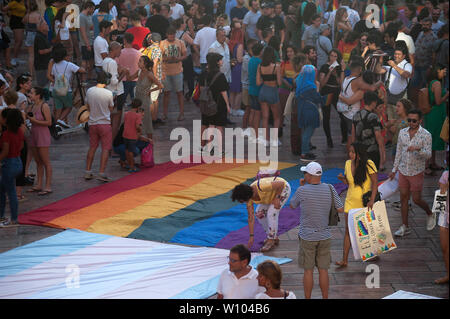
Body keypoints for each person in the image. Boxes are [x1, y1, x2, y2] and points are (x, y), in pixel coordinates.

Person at [290, 161, 344, 299]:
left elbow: (292, 205)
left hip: (307, 236)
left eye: (305, 173)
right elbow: (340, 208)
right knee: (323, 270)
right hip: (324, 235)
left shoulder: (302, 190)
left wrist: (302, 187)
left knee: (308, 271)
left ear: (309, 175)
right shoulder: (330, 188)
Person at [390, 109, 435, 237]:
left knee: (416, 199)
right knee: (403, 198)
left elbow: (428, 155)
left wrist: (418, 149)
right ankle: (405, 226)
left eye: (414, 121)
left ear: (420, 121)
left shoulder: (426, 135)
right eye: (409, 120)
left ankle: (430, 213)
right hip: (403, 170)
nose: (411, 123)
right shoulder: (402, 132)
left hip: (416, 171)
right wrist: (394, 170)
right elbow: (398, 151)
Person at [335, 142, 378, 267]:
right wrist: (343, 180)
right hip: (350, 200)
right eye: (349, 152)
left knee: (365, 229)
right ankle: (344, 260)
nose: (350, 154)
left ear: (359, 153)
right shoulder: (348, 164)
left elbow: (375, 183)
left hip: (364, 201)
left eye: (353, 152)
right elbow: (350, 184)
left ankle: (372, 252)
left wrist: (372, 199)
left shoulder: (369, 164)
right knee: (348, 230)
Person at [231, 173, 291, 252]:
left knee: (271, 213)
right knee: (259, 214)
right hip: (271, 195)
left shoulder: (261, 187)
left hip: (282, 189)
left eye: (242, 201)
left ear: (246, 197)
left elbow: (281, 184)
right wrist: (251, 237)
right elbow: (251, 218)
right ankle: (273, 236)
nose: (243, 202)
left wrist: (277, 198)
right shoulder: (249, 198)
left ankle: (271, 239)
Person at [198, 52, 231, 155]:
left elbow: (201, 88)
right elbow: (224, 92)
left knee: (209, 125)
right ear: (217, 62)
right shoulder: (220, 75)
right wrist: (227, 104)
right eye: (220, 60)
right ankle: (219, 149)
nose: (222, 62)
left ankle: (207, 147)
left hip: (206, 102)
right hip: (218, 103)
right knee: (219, 126)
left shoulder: (204, 73)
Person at [84, 70, 114, 183]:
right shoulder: (108, 93)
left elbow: (87, 106)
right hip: (105, 123)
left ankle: (87, 171)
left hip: (92, 123)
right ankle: (101, 172)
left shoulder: (90, 91)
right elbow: (111, 108)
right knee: (105, 148)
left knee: (92, 147)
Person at [48, 46, 85, 125]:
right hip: (66, 91)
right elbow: (81, 70)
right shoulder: (69, 64)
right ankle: (60, 120)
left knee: (59, 108)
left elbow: (52, 75)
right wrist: (83, 66)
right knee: (69, 107)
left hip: (56, 89)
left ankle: (57, 126)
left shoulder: (54, 65)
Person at [0, 108, 24, 227]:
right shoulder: (19, 131)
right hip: (18, 162)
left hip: (9, 164)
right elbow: (21, 146)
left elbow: (5, 152)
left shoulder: (6, 134)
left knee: (11, 192)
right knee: (3, 189)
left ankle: (13, 218)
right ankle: (2, 216)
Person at [26, 87, 52, 196]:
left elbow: (49, 122)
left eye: (31, 93)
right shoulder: (32, 106)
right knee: (38, 161)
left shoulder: (44, 106)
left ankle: (48, 186)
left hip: (42, 135)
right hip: (34, 135)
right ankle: (39, 184)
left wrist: (34, 120)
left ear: (38, 95)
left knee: (45, 161)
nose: (29, 94)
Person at [128, 56, 163, 139]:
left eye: (140, 61)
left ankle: (150, 142)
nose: (138, 63)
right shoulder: (139, 72)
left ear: (145, 64)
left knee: (146, 121)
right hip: (137, 99)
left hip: (144, 100)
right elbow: (129, 78)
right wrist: (126, 72)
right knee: (137, 121)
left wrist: (150, 91)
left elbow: (160, 85)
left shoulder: (149, 74)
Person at [351, 91, 386, 170]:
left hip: (359, 151)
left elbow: (353, 135)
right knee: (373, 178)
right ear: (374, 102)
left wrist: (353, 153)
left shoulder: (356, 115)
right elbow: (379, 139)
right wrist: (382, 160)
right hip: (372, 152)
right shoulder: (373, 117)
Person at [424, 64, 449, 174]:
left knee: (432, 138)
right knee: (432, 138)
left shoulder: (431, 82)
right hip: (436, 114)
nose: (445, 73)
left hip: (433, 114)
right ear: (438, 70)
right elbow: (439, 101)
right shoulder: (437, 83)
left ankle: (432, 162)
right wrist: (448, 94)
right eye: (444, 71)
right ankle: (426, 166)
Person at [160, 26, 187, 122]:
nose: (171, 37)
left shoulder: (180, 42)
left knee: (179, 92)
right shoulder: (162, 43)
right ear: (167, 35)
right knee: (166, 93)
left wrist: (178, 59)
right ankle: (165, 114)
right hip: (166, 71)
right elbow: (159, 57)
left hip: (177, 70)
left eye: (173, 35)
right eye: (170, 35)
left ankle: (181, 113)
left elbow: (185, 54)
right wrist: (166, 59)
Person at [256, 46, 281, 147]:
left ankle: (266, 140)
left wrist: (264, 79)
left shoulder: (260, 66)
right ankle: (274, 140)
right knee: (276, 117)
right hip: (273, 91)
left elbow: (258, 83)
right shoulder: (276, 67)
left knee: (265, 117)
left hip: (263, 91)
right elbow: (279, 82)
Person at [319, 49, 344, 149]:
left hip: (337, 92)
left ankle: (345, 138)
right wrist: (329, 72)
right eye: (331, 56)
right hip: (327, 92)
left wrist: (339, 72)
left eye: (335, 56)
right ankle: (329, 140)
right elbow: (322, 83)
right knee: (326, 117)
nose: (333, 58)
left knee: (342, 114)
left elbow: (341, 84)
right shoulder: (324, 67)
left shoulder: (339, 68)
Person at [296, 64, 322, 162]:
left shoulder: (300, 82)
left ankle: (305, 150)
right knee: (308, 132)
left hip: (302, 109)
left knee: (305, 131)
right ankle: (304, 153)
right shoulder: (311, 86)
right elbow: (317, 99)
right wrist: (318, 88)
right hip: (310, 111)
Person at [102, 41, 126, 142]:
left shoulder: (105, 61)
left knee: (111, 120)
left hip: (108, 92)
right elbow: (114, 81)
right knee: (116, 121)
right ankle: (112, 145)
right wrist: (123, 74)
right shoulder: (112, 62)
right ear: (115, 50)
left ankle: (108, 144)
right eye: (120, 49)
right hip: (116, 94)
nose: (121, 51)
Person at [119, 32, 142, 102]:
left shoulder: (119, 53)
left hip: (123, 79)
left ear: (124, 40)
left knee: (121, 102)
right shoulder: (139, 53)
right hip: (135, 80)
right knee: (136, 102)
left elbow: (117, 66)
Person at [435, 168, 449, 284]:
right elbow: (441, 197)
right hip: (445, 213)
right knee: (445, 248)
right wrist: (445, 187)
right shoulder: (446, 175)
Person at [2, 0, 26, 67]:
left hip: (21, 21)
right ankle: (13, 59)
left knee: (20, 41)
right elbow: (3, 9)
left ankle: (16, 58)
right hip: (16, 21)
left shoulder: (22, 2)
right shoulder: (14, 3)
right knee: (18, 41)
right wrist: (8, 13)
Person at [228, 23, 245, 117]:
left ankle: (231, 108)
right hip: (238, 69)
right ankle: (236, 109)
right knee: (239, 90)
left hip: (232, 68)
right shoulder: (239, 45)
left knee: (232, 90)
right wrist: (245, 56)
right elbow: (239, 59)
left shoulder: (230, 43)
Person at [123, 98, 143, 173]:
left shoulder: (126, 113)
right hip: (132, 135)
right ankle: (132, 167)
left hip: (125, 134)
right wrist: (140, 130)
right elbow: (137, 126)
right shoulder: (138, 116)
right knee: (131, 151)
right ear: (138, 107)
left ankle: (129, 164)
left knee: (127, 150)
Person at [22, 1, 41, 77]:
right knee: (38, 54)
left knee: (31, 55)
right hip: (37, 35)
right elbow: (39, 27)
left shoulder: (28, 15)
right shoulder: (38, 15)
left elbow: (23, 21)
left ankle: (31, 73)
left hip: (29, 35)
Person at [79, 1, 96, 83]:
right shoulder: (81, 17)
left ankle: (89, 77)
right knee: (85, 61)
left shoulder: (89, 16)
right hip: (85, 43)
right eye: (93, 9)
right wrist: (87, 44)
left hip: (91, 41)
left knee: (91, 61)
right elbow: (83, 32)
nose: (93, 11)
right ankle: (83, 79)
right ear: (88, 8)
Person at [34, 19, 52, 88]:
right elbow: (41, 51)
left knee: (46, 85)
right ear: (40, 27)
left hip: (45, 64)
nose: (48, 26)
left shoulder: (44, 36)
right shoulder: (39, 37)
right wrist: (51, 49)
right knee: (42, 86)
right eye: (46, 24)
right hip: (41, 65)